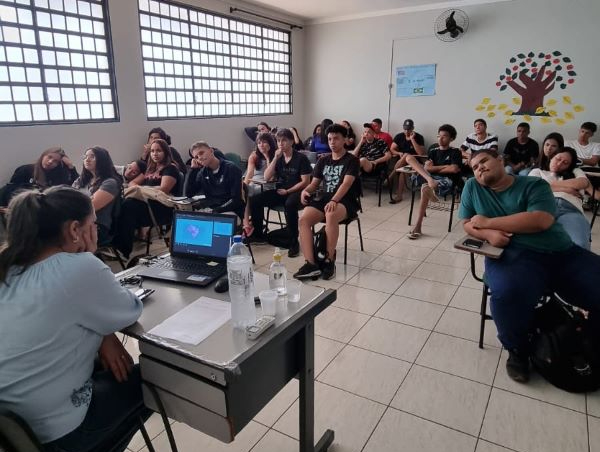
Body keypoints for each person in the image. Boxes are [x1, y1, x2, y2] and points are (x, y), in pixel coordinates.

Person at [0, 186, 147, 452]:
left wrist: (105, 335)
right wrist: (88, 256)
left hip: (13, 433)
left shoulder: (8, 267)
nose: (97, 231)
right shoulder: (78, 267)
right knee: (155, 379)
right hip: (59, 433)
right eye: (94, 224)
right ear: (75, 229)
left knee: (105, 369)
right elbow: (130, 310)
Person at [459, 149, 600, 383]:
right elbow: (465, 222)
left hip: (560, 252)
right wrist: (488, 234)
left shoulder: (534, 184)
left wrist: (488, 222)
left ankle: (590, 337)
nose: (479, 168)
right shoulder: (473, 187)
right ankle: (517, 350)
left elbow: (540, 220)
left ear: (500, 160)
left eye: (484, 161)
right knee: (507, 293)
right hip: (513, 254)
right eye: (474, 167)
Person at [294, 124, 360, 280]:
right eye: (330, 139)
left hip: (345, 200)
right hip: (324, 198)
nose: (332, 142)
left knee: (330, 214)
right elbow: (314, 184)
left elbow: (346, 184)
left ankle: (329, 260)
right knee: (303, 219)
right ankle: (311, 264)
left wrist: (334, 200)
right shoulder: (323, 160)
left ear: (344, 140)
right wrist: (305, 191)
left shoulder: (352, 160)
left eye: (336, 138)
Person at [248, 128, 312, 257]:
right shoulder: (279, 157)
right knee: (255, 200)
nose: (280, 144)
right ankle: (258, 234)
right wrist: (275, 159)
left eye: (284, 140)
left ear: (292, 142)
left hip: (298, 191)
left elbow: (306, 182)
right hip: (281, 190)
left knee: (290, 204)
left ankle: (293, 242)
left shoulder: (301, 158)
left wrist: (288, 191)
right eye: (278, 141)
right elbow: (266, 177)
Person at [114, 138, 180, 258]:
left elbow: (164, 189)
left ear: (166, 152)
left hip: (162, 208)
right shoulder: (150, 169)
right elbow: (132, 184)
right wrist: (144, 189)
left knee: (128, 206)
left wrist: (143, 189)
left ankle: (123, 250)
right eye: (152, 151)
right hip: (147, 204)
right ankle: (117, 246)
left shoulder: (170, 168)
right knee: (121, 204)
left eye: (159, 150)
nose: (155, 154)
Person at [405, 124, 462, 239]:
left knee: (425, 187)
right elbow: (427, 168)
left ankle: (418, 226)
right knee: (408, 157)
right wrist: (443, 167)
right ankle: (431, 184)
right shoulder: (433, 151)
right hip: (430, 177)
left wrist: (434, 168)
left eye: (444, 136)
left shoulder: (455, 152)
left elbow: (454, 169)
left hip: (446, 180)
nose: (440, 139)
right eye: (439, 136)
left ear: (451, 138)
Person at [529, 147, 590, 249]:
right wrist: (566, 189)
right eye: (558, 159)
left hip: (570, 209)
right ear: (552, 157)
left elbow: (583, 183)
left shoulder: (575, 171)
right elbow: (532, 189)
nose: (559, 163)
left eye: (565, 163)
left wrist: (549, 185)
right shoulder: (537, 171)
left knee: (579, 244)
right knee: (531, 244)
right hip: (542, 208)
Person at [72, 147, 122, 246]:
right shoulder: (81, 180)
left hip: (96, 226)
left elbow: (89, 207)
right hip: (76, 221)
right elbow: (67, 199)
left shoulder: (110, 182)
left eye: (92, 157)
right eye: (85, 156)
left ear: (102, 160)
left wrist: (73, 203)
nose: (87, 159)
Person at [1, 147, 79, 208]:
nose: (50, 162)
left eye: (55, 161)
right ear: (43, 156)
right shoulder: (25, 170)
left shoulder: (58, 176)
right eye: (49, 157)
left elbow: (77, 187)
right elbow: (9, 191)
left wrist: (71, 166)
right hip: (22, 210)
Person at [184, 142, 244, 219]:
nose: (200, 158)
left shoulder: (231, 168)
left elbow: (235, 200)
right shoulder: (202, 173)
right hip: (212, 210)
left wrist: (215, 211)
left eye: (201, 153)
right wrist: (193, 170)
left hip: (231, 210)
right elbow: (189, 194)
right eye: (196, 157)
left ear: (211, 151)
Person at [389, 119, 426, 203]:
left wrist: (412, 139)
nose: (406, 131)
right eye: (405, 129)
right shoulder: (399, 136)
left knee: (407, 155)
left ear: (413, 128)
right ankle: (399, 196)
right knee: (403, 171)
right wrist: (398, 153)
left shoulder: (419, 137)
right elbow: (392, 149)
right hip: (402, 164)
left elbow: (421, 153)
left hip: (415, 163)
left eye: (408, 129)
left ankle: (390, 176)